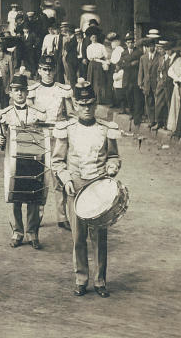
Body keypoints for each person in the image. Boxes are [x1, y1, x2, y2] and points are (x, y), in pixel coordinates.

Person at [51, 80, 122, 297]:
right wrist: (66, 179)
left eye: (90, 104)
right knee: (78, 237)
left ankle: (100, 281)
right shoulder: (67, 130)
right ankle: (81, 279)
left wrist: (111, 168)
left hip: (99, 188)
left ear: (95, 104)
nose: (87, 109)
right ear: (75, 105)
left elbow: (113, 156)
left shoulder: (105, 129)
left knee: (99, 238)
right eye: (82, 105)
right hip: (76, 187)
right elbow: (57, 161)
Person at [0, 75, 49, 249]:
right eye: (16, 90)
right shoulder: (5, 115)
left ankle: (32, 232)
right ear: (11, 92)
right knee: (14, 196)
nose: (19, 94)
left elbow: (44, 137)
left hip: (34, 162)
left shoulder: (37, 114)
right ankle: (17, 232)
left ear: (27, 92)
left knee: (34, 196)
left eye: (22, 90)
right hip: (14, 163)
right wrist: (0, 141)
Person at [27, 55, 74, 230]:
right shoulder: (33, 91)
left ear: (54, 71)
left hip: (58, 138)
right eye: (44, 69)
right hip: (40, 138)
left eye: (50, 69)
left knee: (59, 178)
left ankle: (62, 217)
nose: (47, 73)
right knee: (40, 178)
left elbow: (71, 115)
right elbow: (29, 116)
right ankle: (37, 216)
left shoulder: (63, 90)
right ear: (39, 71)